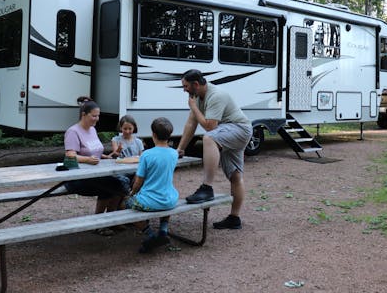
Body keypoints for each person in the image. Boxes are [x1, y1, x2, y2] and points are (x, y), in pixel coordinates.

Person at [176, 69, 252, 230]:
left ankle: (207, 187)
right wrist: (180, 148)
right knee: (235, 176)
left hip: (239, 129)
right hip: (229, 131)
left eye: (185, 86)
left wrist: (193, 107)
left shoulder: (216, 95)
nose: (184, 90)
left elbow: (210, 127)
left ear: (196, 84)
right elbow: (191, 124)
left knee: (209, 138)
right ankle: (234, 218)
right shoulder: (197, 97)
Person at [63, 97, 130, 235]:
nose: (97, 118)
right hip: (77, 178)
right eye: (94, 115)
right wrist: (87, 159)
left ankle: (111, 221)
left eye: (98, 115)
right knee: (114, 185)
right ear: (84, 114)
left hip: (96, 174)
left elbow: (96, 152)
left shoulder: (92, 129)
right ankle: (99, 224)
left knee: (120, 182)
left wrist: (108, 156)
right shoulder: (73, 131)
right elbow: (69, 156)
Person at [124, 117, 179, 253]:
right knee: (164, 202)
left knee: (124, 205)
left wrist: (132, 193)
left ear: (153, 134)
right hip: (169, 200)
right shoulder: (174, 153)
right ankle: (163, 230)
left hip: (149, 200)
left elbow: (138, 182)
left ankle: (151, 235)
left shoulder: (147, 155)